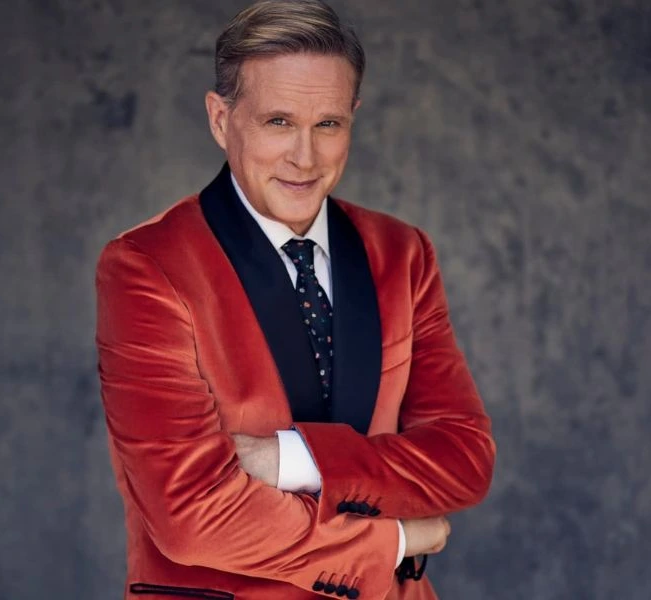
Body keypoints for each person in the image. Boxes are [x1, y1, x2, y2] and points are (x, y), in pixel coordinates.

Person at [95, 1, 495, 598]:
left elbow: (464, 458)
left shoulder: (402, 253)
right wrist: (395, 540)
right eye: (278, 121)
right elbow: (191, 517)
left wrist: (290, 459)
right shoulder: (147, 266)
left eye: (327, 124)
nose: (305, 158)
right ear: (220, 120)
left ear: (353, 117)